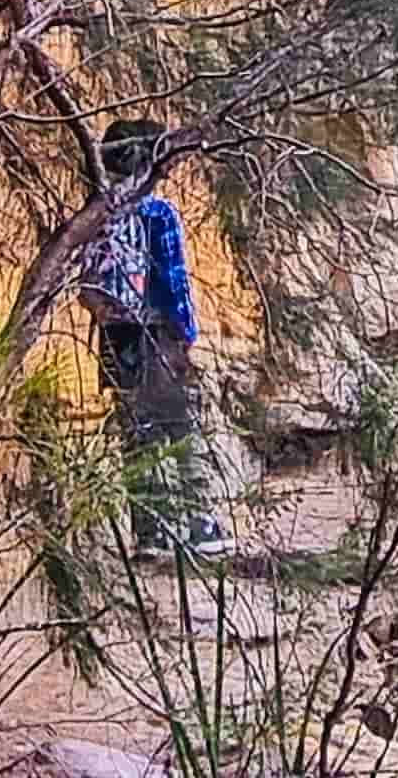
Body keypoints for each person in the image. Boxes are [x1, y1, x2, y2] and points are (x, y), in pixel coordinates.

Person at [74, 121, 232, 557]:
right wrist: (186, 334)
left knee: (137, 431)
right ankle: (201, 526)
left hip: (114, 334)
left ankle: (150, 531)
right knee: (182, 428)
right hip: (158, 334)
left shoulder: (97, 210)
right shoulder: (157, 212)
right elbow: (174, 279)